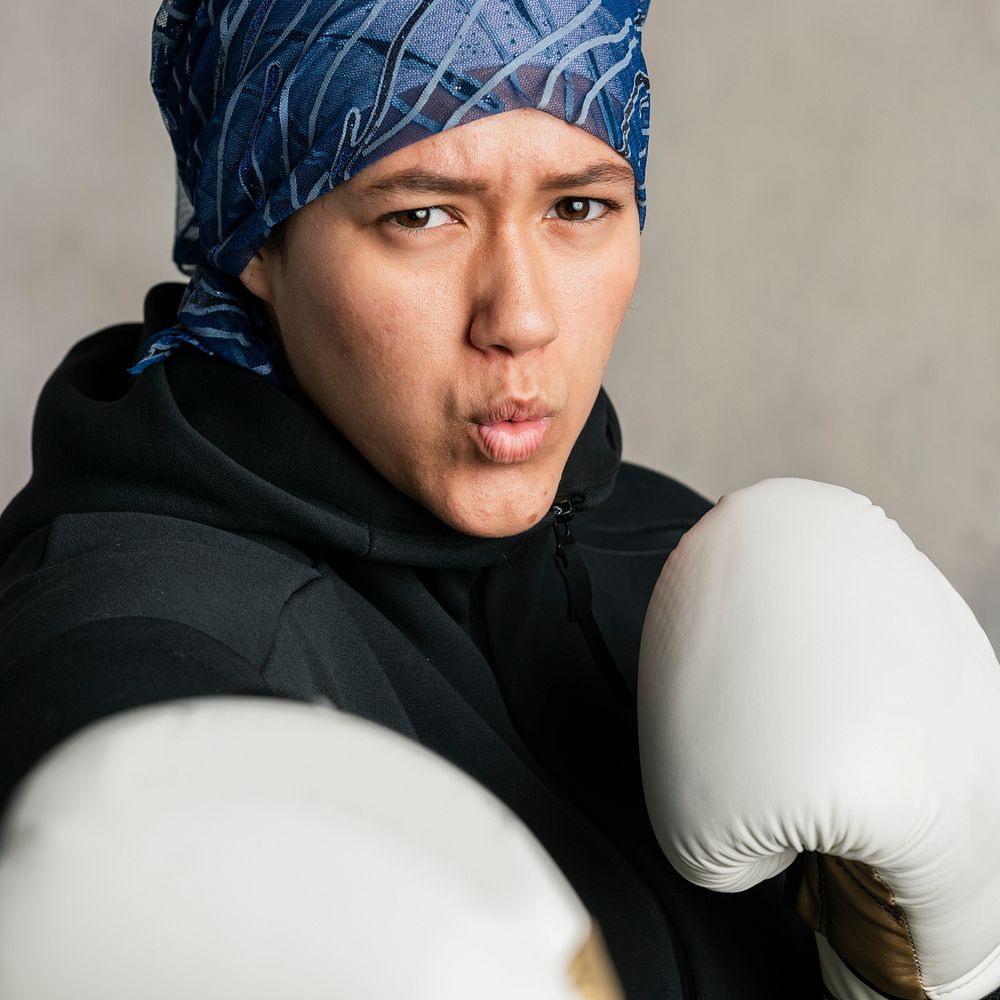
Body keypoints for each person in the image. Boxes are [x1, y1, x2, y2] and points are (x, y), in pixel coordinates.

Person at [0, 0, 821, 996]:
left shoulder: (669, 551)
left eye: (578, 207)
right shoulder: (128, 644)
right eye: (421, 215)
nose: (519, 317)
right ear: (255, 235)